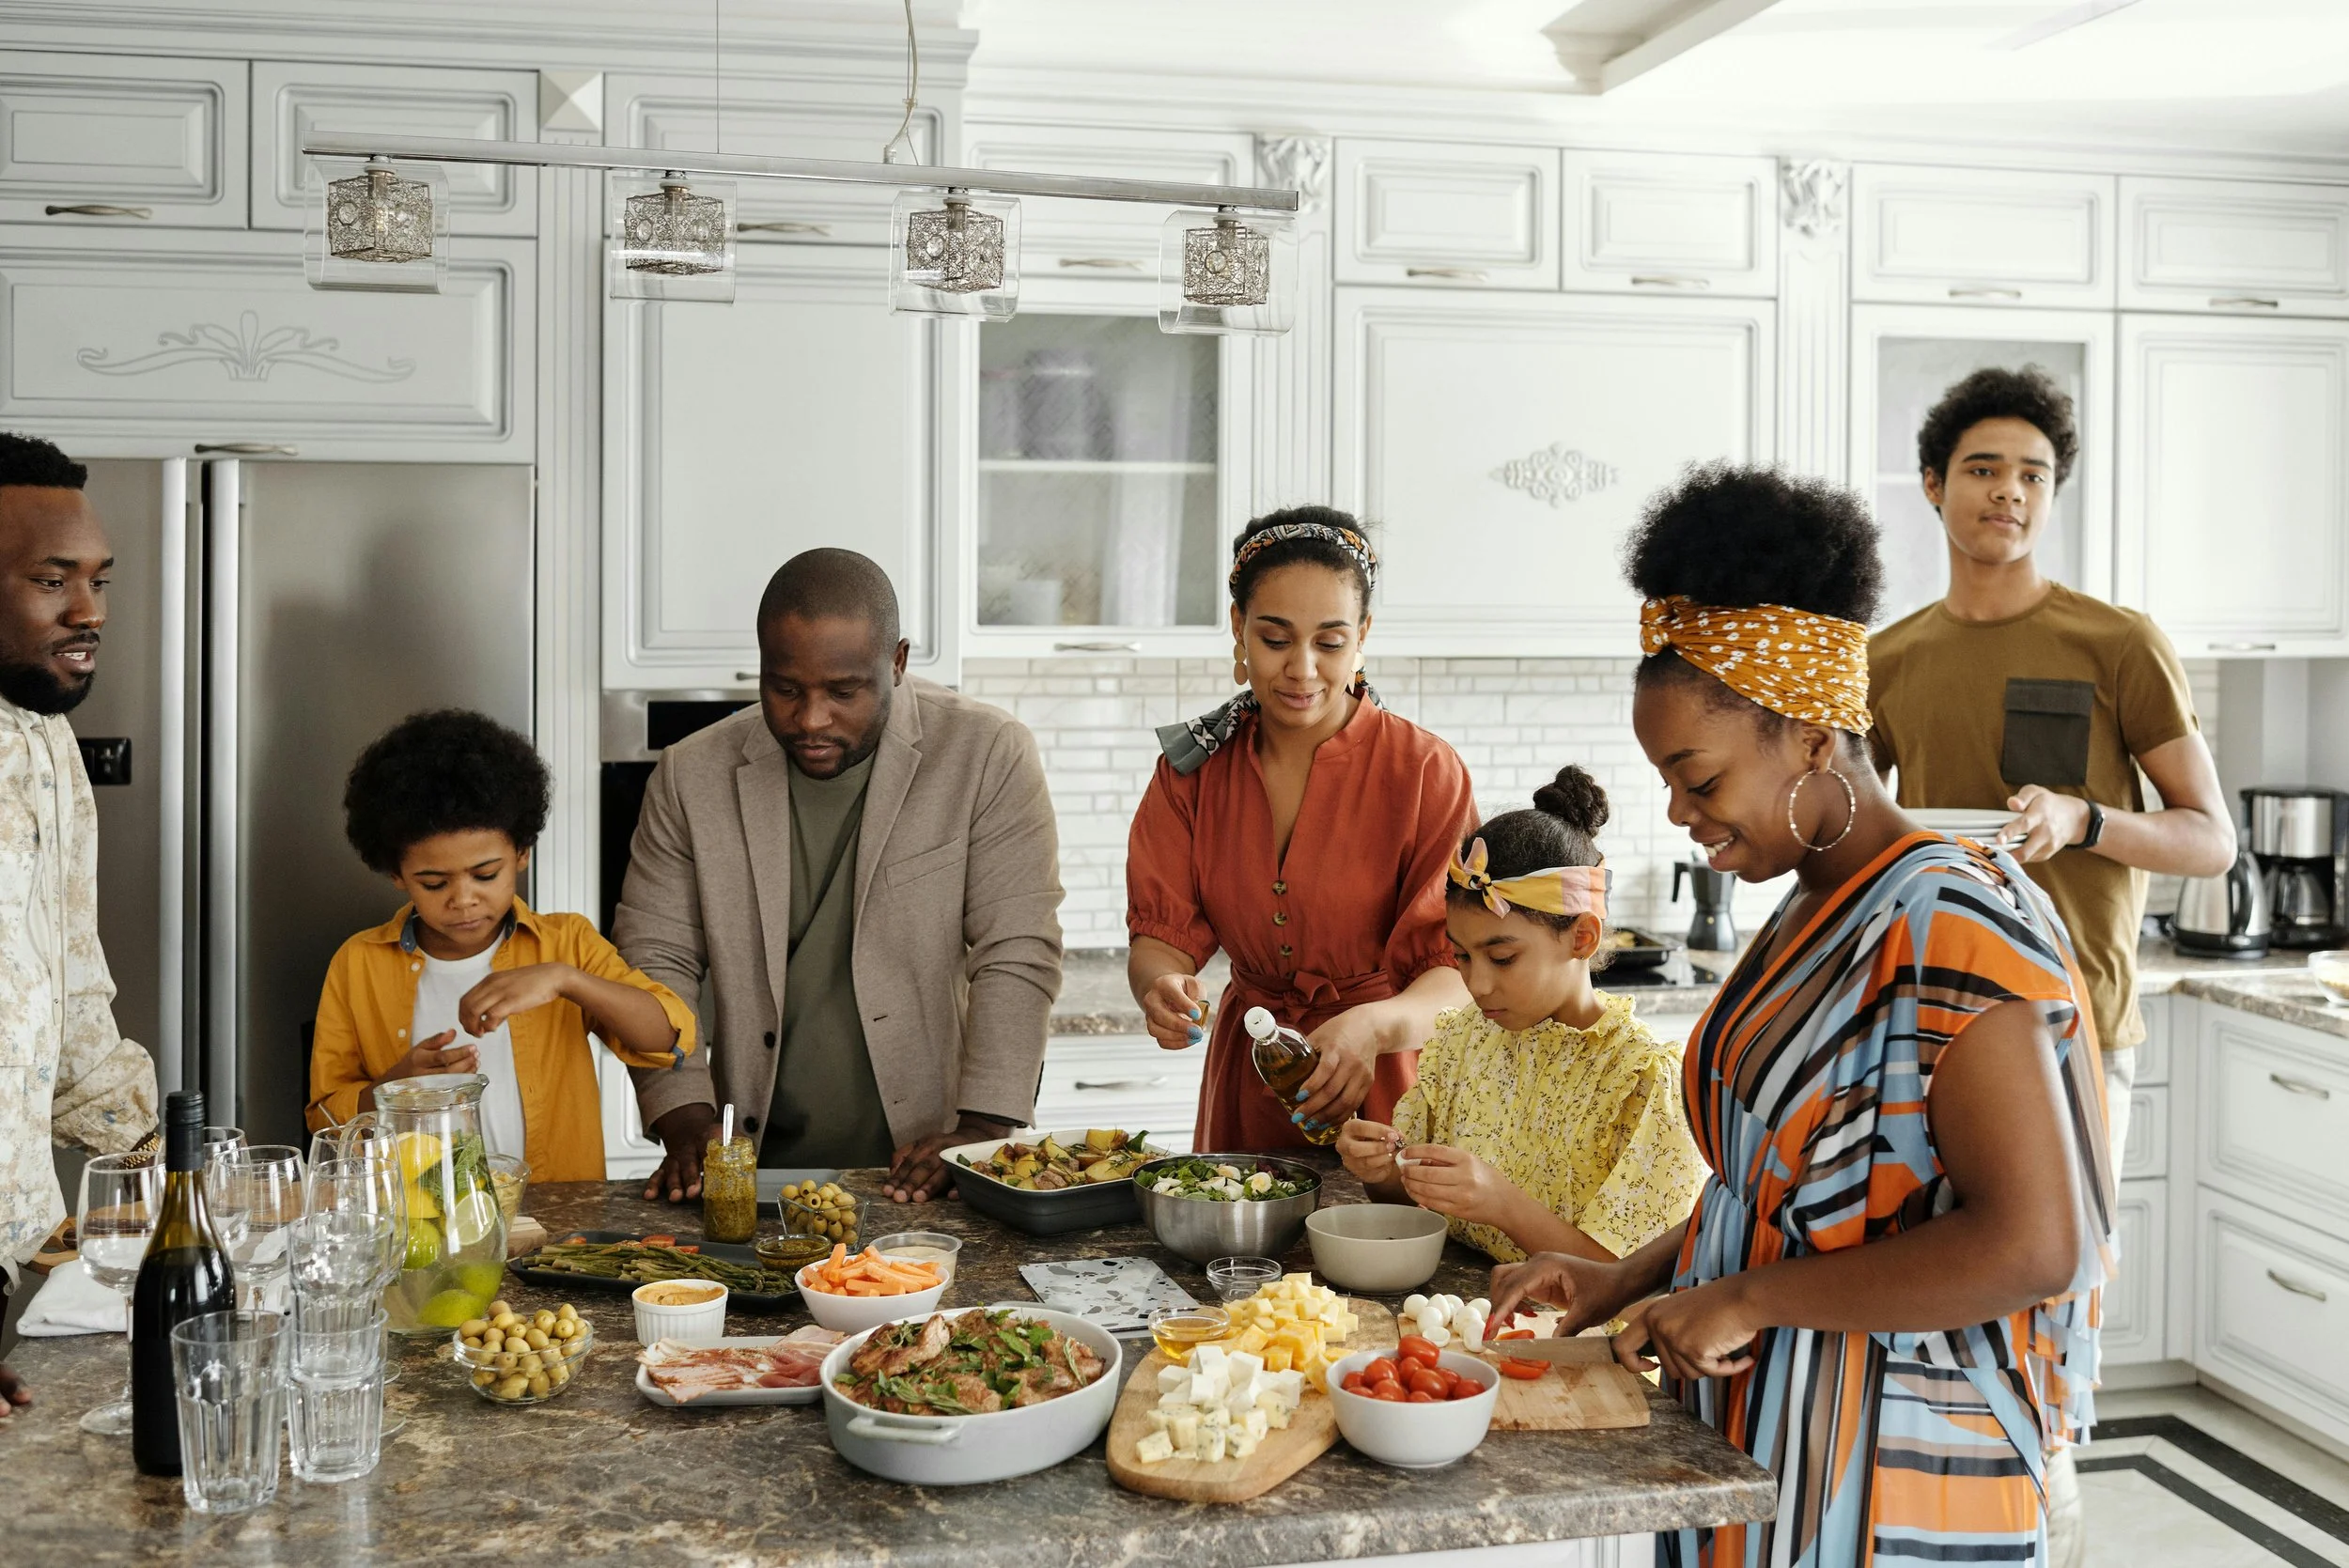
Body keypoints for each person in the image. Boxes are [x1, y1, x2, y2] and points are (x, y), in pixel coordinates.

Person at [1490, 465, 2116, 1568]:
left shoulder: (1949, 921)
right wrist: (1623, 1277)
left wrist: (1749, 1299)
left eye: (1697, 776)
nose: (1681, 815)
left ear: (1814, 739)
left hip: (1895, 1465)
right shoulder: (1812, 906)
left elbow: (2034, 1242)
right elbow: (1796, 1195)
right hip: (1773, 1431)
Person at [1870, 365, 2233, 1173]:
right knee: (1931, 1286)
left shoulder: (2118, 643)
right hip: (1931, 1015)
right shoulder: (1886, 660)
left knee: (2065, 1286)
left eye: (2032, 474)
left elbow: (2212, 840)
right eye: (1983, 469)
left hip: (2073, 1017)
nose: (2010, 491)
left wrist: (2084, 819)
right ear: (1932, 485)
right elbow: (1853, 829)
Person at [616, 548, 1063, 1205]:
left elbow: (1017, 949)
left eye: (844, 691)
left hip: (928, 1166)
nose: (811, 719)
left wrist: (981, 1130)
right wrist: (684, 1114)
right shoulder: (691, 775)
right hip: (756, 1171)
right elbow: (655, 958)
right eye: (785, 687)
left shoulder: (987, 754)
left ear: (899, 663)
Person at [1127, 506, 1475, 1151]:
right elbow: (1160, 936)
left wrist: (1370, 1029)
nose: (1303, 669)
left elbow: (1457, 973)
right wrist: (1161, 987)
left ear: (1363, 634)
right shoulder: (1191, 773)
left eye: (1330, 642)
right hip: (1248, 1078)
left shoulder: (1426, 772)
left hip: (1391, 1086)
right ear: (1239, 628)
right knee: (1238, 1248)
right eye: (1277, 639)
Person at [306, 709, 697, 1182]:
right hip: (414, 1220)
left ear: (523, 852)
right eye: (433, 883)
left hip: (557, 1218)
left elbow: (669, 1039)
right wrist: (398, 1089)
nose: (464, 899)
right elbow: (325, 1120)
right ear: (396, 875)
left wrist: (565, 980)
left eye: (486, 874)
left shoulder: (565, 943)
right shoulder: (358, 963)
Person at [1337, 766, 1704, 1265]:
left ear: (1582, 938)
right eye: (1461, 956)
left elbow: (1624, 1279)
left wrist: (1501, 1203)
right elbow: (1417, 1203)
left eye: (1502, 957)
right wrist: (1382, 1173)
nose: (1476, 984)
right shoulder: (1462, 1041)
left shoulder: (1640, 1081)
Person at [0, 432, 159, 1420]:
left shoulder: (47, 745)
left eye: (98, 579)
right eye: (50, 580)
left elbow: (66, 991)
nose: (88, 611)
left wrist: (172, 1174)